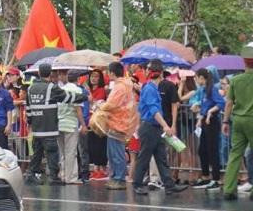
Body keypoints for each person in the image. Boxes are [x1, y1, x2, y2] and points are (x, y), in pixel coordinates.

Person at [130, 60, 188, 196]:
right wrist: (165, 126)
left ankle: (169, 185)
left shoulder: (150, 87)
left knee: (161, 157)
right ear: (161, 73)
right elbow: (154, 110)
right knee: (145, 157)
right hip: (151, 126)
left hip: (153, 127)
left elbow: (144, 109)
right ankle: (137, 184)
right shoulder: (150, 88)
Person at [24, 61, 85, 185]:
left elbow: (28, 109)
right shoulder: (51, 87)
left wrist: (31, 123)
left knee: (38, 152)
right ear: (50, 74)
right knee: (52, 152)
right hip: (49, 126)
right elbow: (68, 98)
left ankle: (31, 174)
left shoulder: (30, 88)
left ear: (39, 73)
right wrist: (84, 96)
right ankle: (53, 177)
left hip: (37, 127)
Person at [96, 60, 138, 190]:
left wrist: (100, 105)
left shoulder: (120, 87)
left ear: (112, 73)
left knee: (116, 153)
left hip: (118, 123)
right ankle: (115, 177)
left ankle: (119, 178)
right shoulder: (125, 84)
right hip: (119, 122)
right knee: (113, 152)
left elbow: (112, 105)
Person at [221, 55, 253, 200]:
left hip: (238, 120)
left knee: (235, 154)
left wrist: (225, 121)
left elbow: (229, 103)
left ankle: (229, 189)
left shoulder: (235, 80)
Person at [193, 66, 224, 189]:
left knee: (213, 150)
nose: (196, 80)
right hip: (204, 122)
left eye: (196, 78)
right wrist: (200, 117)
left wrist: (211, 111)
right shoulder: (203, 90)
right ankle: (205, 176)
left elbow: (220, 103)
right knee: (202, 150)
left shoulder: (212, 89)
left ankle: (215, 179)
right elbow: (204, 106)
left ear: (201, 78)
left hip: (212, 122)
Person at [54, 70, 85, 185]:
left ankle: (62, 174)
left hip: (59, 123)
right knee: (71, 152)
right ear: (78, 79)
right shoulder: (77, 90)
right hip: (71, 124)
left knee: (62, 152)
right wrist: (83, 124)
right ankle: (71, 177)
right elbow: (78, 110)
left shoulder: (62, 90)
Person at [84, 69, 110, 180]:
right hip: (89, 121)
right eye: (92, 76)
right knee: (92, 145)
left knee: (101, 144)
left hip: (100, 121)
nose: (94, 78)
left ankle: (102, 169)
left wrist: (90, 95)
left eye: (96, 77)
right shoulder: (86, 89)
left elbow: (98, 104)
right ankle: (95, 168)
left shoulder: (102, 90)